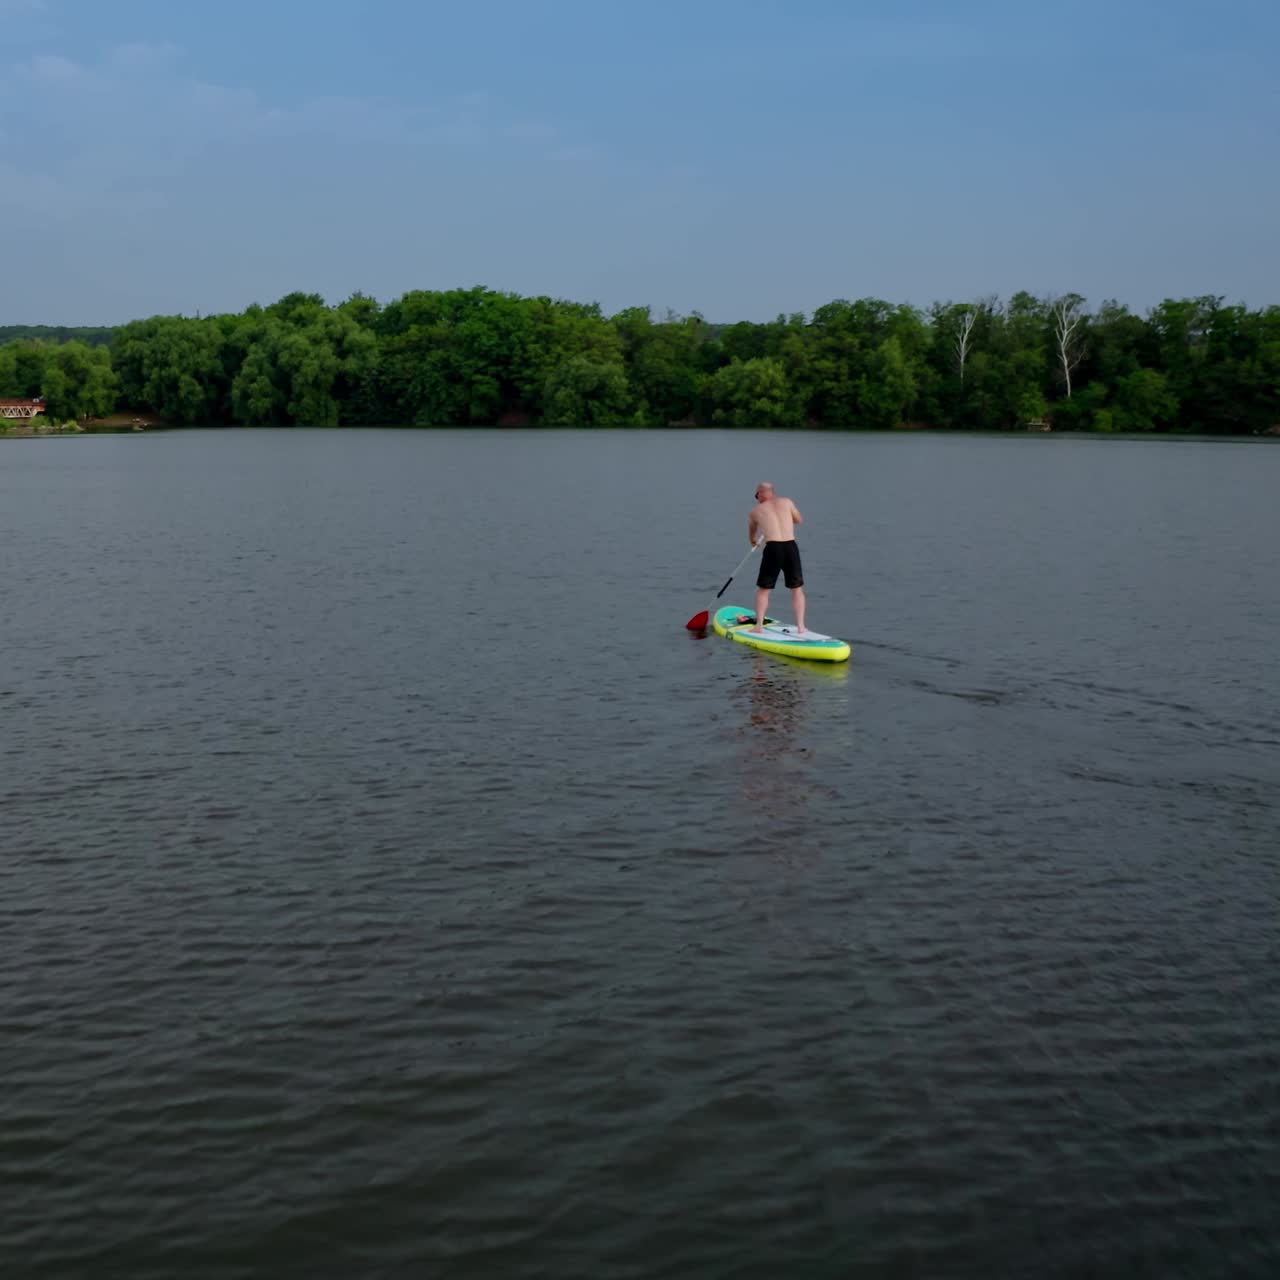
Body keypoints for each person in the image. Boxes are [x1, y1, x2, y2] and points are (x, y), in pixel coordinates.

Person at [747, 481, 805, 633]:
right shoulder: (787, 502)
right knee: (797, 589)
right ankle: (801, 626)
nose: (756, 498)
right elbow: (798, 520)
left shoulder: (756, 511)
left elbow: (752, 533)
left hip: (773, 548)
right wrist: (783, 519)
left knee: (763, 589)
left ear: (760, 493)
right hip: (791, 547)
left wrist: (753, 540)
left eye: (756, 495)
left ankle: (758, 626)